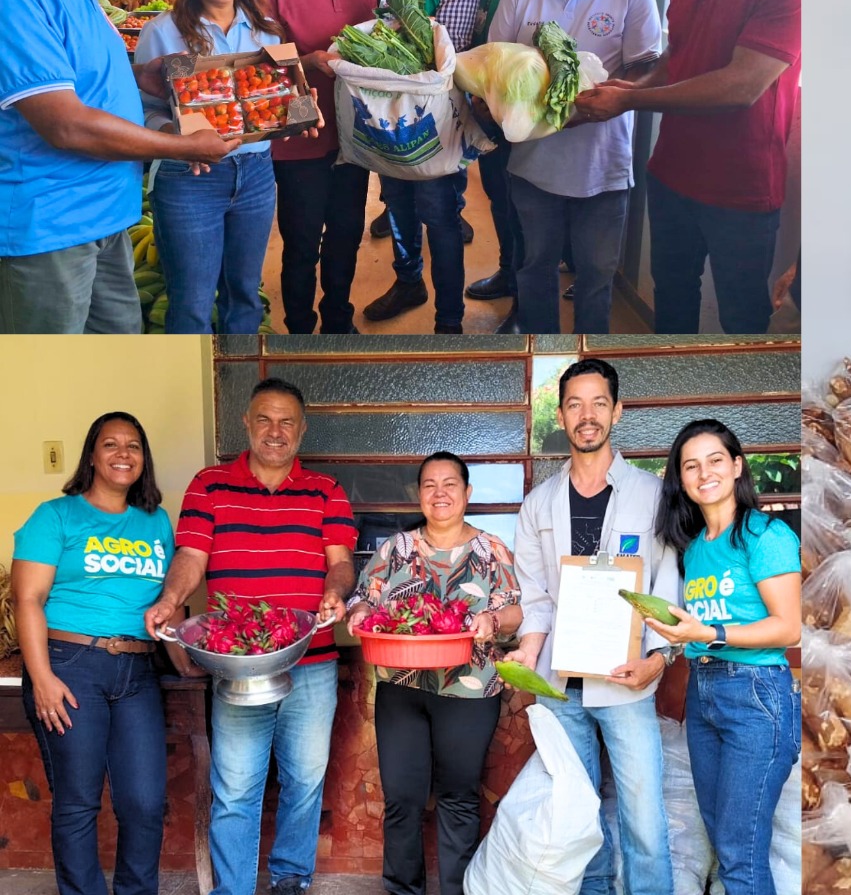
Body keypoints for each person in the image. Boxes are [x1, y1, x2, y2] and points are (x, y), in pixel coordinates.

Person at [0, 0, 236, 334]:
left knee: (118, 346)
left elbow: (71, 79)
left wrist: (138, 75)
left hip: (104, 215)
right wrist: (181, 147)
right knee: (50, 374)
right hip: (50, 230)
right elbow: (66, 125)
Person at [144, 377, 356, 895]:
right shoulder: (209, 485)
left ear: (302, 430)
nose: (275, 431)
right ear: (246, 422)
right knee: (236, 786)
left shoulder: (327, 491)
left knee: (305, 782)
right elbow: (191, 557)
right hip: (237, 663)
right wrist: (171, 600)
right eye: (264, 419)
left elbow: (342, 563)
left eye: (287, 421)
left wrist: (335, 593)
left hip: (312, 661)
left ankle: (290, 879)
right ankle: (233, 888)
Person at [575, 0, 800, 335]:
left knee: (742, 314)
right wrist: (629, 86)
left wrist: (630, 102)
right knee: (672, 295)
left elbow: (742, 85)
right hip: (674, 173)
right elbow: (677, 57)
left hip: (742, 186)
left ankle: (739, 410)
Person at [504, 358, 677, 895]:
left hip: (627, 681)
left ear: (617, 412)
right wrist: (527, 657)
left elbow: (667, 585)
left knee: (643, 818)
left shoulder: (652, 495)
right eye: (575, 404)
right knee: (578, 812)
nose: (587, 415)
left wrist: (658, 659)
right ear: (561, 415)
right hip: (561, 685)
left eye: (599, 403)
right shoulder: (538, 505)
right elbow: (534, 597)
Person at [12, 412, 174, 895]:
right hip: (69, 665)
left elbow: (170, 601)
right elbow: (27, 599)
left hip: (138, 670)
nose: (123, 454)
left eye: (134, 446)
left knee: (144, 802)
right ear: (91, 456)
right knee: (78, 801)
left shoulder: (156, 521)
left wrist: (189, 661)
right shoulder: (56, 516)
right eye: (111, 444)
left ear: (144, 460)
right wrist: (41, 677)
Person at [347, 452, 522, 895]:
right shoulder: (395, 549)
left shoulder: (492, 550)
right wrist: (363, 610)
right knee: (402, 799)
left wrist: (493, 622)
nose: (439, 493)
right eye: (429, 484)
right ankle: (403, 889)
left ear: (467, 493)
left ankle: (457, 890)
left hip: (469, 690)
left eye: (450, 484)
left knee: (459, 799)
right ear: (418, 494)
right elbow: (363, 599)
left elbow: (516, 608)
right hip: (401, 689)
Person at [488, 0, 661, 333]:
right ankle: (541, 353)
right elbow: (495, 65)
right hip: (532, 164)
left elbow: (648, 67)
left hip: (602, 165)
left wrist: (611, 100)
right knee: (535, 270)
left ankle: (588, 362)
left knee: (596, 276)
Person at [646, 419, 800, 895]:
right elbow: (700, 627)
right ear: (681, 479)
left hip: (756, 696)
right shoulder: (695, 549)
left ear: (737, 466)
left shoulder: (764, 535)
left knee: (739, 855)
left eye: (715, 460)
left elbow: (789, 626)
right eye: (690, 466)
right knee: (723, 842)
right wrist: (674, 638)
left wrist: (706, 632)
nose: (703, 473)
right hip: (705, 691)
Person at [349, 0, 482, 333]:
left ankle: (450, 319)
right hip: (376, 113)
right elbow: (346, 17)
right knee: (397, 203)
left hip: (434, 120)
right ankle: (409, 282)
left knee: (441, 214)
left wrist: (379, 48)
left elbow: (448, 58)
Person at [134, 0, 286, 334]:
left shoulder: (265, 34)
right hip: (189, 178)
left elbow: (269, 105)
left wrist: (292, 117)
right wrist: (180, 139)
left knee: (244, 293)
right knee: (192, 302)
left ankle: (239, 381)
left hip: (255, 173)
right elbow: (142, 112)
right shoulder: (161, 33)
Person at [257, 0, 379, 334]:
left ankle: (338, 319)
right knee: (303, 240)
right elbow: (264, 67)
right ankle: (300, 326)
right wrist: (306, 62)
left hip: (353, 131)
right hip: (300, 136)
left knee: (347, 233)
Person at [461, 0, 557, 324]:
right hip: (484, 97)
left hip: (526, 99)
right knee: (499, 192)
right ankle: (506, 271)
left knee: (528, 205)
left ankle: (526, 300)